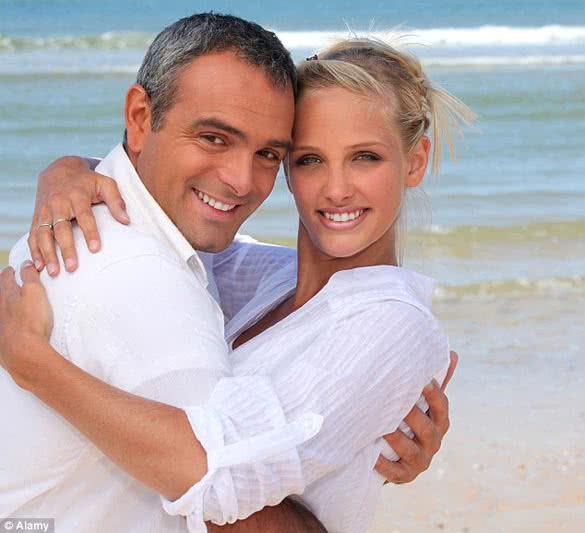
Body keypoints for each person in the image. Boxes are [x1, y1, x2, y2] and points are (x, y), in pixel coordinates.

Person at [0, 21, 466, 533]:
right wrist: (69, 170)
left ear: (414, 161)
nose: (336, 190)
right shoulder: (271, 279)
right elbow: (164, 214)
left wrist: (31, 361)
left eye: (365, 158)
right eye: (308, 159)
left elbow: (220, 487)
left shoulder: (392, 323)